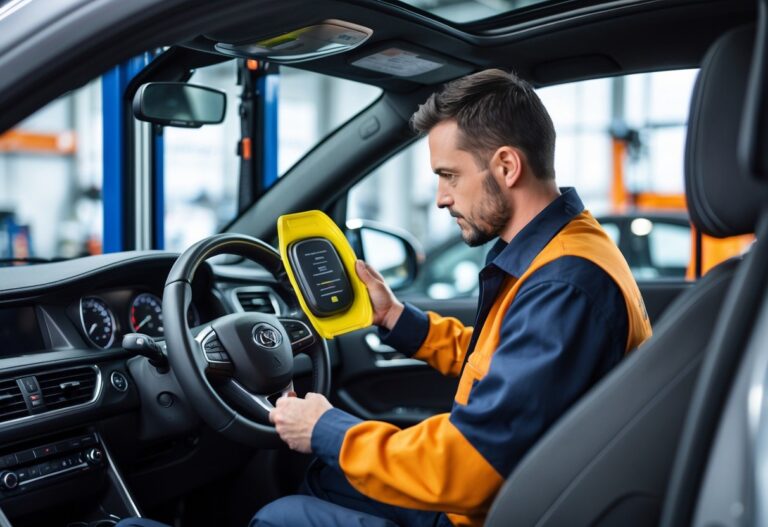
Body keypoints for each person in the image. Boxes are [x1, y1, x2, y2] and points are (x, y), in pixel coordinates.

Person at [117, 69, 652, 527]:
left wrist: (325, 427)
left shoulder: (564, 285)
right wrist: (395, 316)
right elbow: (503, 363)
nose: (441, 197)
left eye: (449, 176)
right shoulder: (568, 250)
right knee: (325, 472)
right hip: (514, 494)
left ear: (507, 167)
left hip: (494, 507)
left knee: (281, 517)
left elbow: (471, 464)